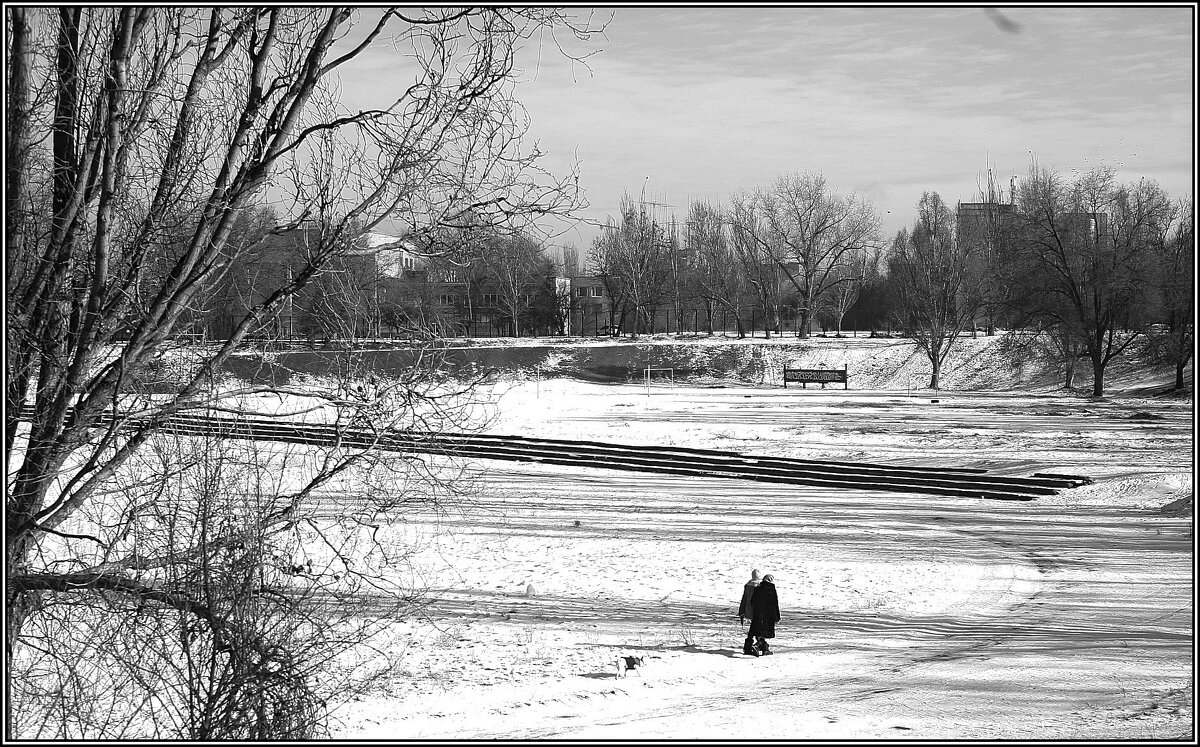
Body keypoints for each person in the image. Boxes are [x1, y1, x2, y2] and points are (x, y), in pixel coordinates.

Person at [748, 573, 780, 656]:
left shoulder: (758, 588)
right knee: (764, 633)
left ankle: (765, 649)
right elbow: (774, 604)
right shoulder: (771, 589)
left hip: (758, 614)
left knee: (760, 632)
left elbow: (752, 601)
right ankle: (757, 645)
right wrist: (777, 617)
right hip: (768, 615)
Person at [738, 569, 761, 656]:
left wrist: (742, 611)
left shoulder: (748, 586)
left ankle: (752, 645)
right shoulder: (760, 586)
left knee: (754, 626)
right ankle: (758, 644)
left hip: (748, 610)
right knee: (757, 627)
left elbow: (744, 599)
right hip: (757, 610)